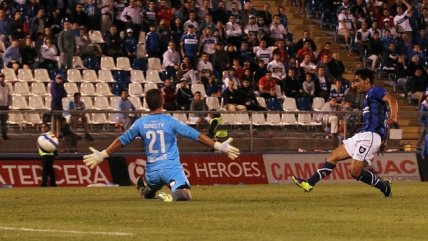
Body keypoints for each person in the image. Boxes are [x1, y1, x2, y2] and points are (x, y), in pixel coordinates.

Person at [83, 89, 240, 202]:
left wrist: (102, 154)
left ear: (147, 104)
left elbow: (121, 141)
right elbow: (196, 136)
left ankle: (147, 188)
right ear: (162, 101)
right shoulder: (169, 121)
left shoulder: (140, 123)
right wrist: (218, 146)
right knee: (184, 195)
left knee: (149, 191)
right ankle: (168, 195)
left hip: (152, 172)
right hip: (171, 169)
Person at [293, 68, 398, 197]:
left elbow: (392, 100)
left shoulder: (375, 91)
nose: (355, 84)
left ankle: (384, 187)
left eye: (358, 81)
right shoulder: (367, 97)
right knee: (333, 156)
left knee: (354, 172)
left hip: (370, 137)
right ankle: (309, 183)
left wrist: (394, 117)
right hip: (363, 134)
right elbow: (381, 120)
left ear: (367, 81)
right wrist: (384, 139)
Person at [0, 73, 11, 140]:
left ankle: (4, 135)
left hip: (5, 105)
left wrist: (9, 103)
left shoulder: (7, 86)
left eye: (2, 77)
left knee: (4, 122)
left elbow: (9, 95)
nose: (1, 78)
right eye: (0, 77)